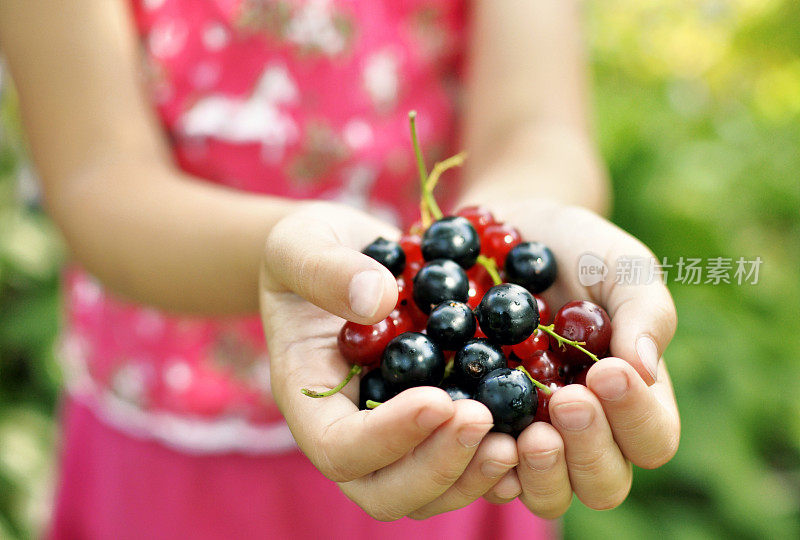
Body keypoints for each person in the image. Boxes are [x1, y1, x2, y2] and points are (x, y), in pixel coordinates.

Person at [0, 1, 680, 538]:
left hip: (445, 451)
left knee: (474, 440)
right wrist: (291, 257)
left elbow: (540, 130)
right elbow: (99, 181)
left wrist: (514, 222)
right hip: (176, 440)